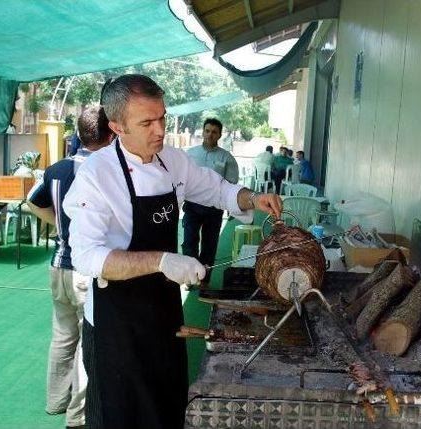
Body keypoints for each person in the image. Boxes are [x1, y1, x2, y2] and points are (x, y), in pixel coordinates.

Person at [62, 74, 282, 429]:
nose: (159, 130)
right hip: (116, 323)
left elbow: (217, 191)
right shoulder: (96, 176)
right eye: (146, 123)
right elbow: (87, 256)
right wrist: (162, 260)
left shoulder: (172, 161)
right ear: (117, 126)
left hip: (164, 313)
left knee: (166, 408)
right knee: (120, 418)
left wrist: (252, 198)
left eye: (162, 118)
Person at [27, 107, 115, 429]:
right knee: (86, 341)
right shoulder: (106, 170)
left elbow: (32, 201)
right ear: (111, 135)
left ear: (78, 134)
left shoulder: (56, 169)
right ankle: (77, 416)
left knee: (63, 337)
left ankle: (55, 402)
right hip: (85, 270)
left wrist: (60, 227)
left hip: (57, 266)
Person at [182, 118, 238, 284]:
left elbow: (232, 182)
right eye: (207, 131)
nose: (210, 135)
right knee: (189, 242)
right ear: (203, 132)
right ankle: (190, 278)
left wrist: (231, 206)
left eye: (214, 132)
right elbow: (181, 177)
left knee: (209, 245)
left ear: (219, 135)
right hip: (192, 205)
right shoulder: (190, 154)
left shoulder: (226, 157)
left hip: (214, 207)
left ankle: (204, 279)